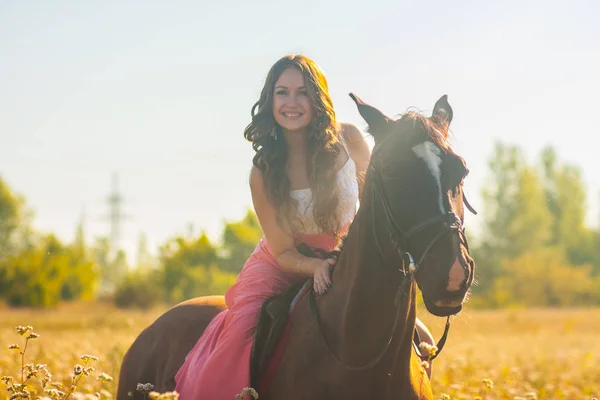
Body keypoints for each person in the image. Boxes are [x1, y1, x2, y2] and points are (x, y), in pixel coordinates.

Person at [173, 54, 433, 399]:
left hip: (346, 255)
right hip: (285, 264)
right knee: (242, 335)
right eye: (282, 93)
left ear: (318, 98)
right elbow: (282, 250)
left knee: (420, 338)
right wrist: (315, 266)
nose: (292, 103)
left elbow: (374, 207)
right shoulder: (263, 173)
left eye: (302, 92)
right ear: (270, 101)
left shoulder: (350, 139)